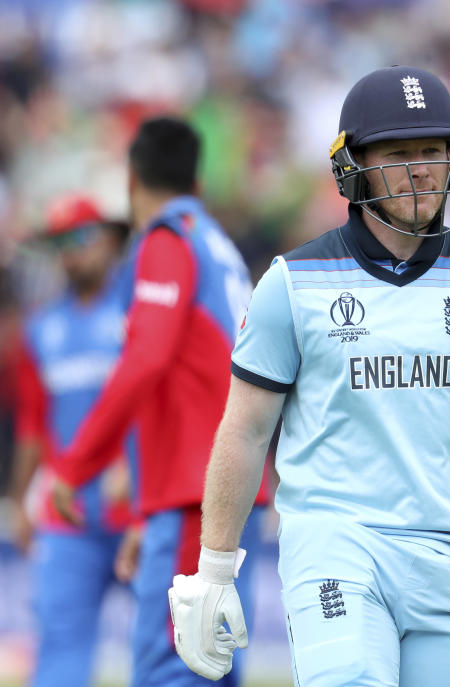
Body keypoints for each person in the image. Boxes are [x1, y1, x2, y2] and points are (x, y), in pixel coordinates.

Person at [167, 65, 450, 687]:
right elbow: (245, 431)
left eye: (434, 151)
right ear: (353, 166)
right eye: (398, 153)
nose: (421, 169)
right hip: (335, 544)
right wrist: (214, 570)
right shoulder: (291, 283)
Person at [48, 117, 269, 687]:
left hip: (193, 495)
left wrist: (78, 465)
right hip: (221, 490)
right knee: (210, 664)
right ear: (196, 179)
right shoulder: (214, 242)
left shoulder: (167, 241)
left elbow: (145, 359)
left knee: (176, 668)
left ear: (131, 178)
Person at [11, 194, 134, 687]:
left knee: (170, 650)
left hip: (138, 507)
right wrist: (20, 499)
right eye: (60, 242)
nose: (71, 252)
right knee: (59, 650)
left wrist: (136, 469)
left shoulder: (138, 313)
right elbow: (32, 426)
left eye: (81, 238)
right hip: (68, 515)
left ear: (109, 241)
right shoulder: (41, 329)